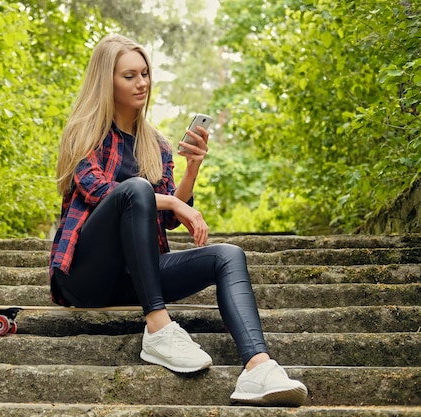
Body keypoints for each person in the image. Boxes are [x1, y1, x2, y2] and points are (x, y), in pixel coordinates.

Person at [49, 33, 308, 407]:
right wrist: (172, 201)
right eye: (129, 76)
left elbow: (169, 219)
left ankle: (258, 368)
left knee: (228, 255)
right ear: (107, 82)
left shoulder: (157, 145)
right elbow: (101, 192)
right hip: (85, 276)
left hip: (139, 277)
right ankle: (158, 327)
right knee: (134, 190)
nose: (142, 83)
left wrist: (191, 170)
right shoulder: (85, 133)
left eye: (145, 73)